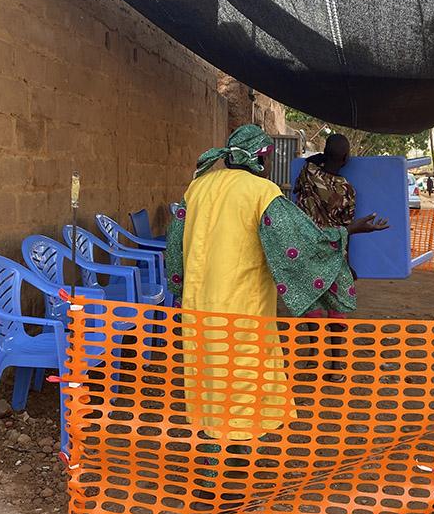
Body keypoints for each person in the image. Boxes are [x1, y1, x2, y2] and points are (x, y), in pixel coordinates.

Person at [164, 125, 388, 442]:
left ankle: (215, 457)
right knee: (239, 388)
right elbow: (301, 241)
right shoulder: (262, 193)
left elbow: (174, 247)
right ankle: (223, 477)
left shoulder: (197, 188)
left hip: (197, 307)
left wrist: (179, 287)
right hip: (240, 308)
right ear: (263, 157)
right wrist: (349, 231)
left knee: (209, 383)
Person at [294, 134, 356, 231]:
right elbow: (347, 227)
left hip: (303, 238)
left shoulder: (308, 170)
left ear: (325, 153)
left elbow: (296, 188)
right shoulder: (347, 190)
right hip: (330, 243)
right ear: (345, 158)